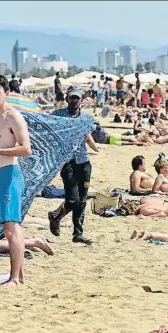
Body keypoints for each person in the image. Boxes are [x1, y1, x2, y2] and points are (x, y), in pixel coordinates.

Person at [0, 74, 32, 288]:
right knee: (9, 228)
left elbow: (26, 148)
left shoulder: (13, 116)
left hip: (9, 173)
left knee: (11, 229)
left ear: (6, 93)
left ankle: (13, 278)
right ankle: (19, 277)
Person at [48, 87, 99, 245]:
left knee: (82, 200)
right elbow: (47, 130)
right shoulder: (58, 115)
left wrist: (96, 149)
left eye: (77, 98)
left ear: (82, 100)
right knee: (72, 200)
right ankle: (56, 216)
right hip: (67, 162)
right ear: (67, 99)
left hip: (83, 162)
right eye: (72, 98)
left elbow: (87, 135)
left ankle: (78, 233)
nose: (74, 100)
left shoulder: (85, 118)